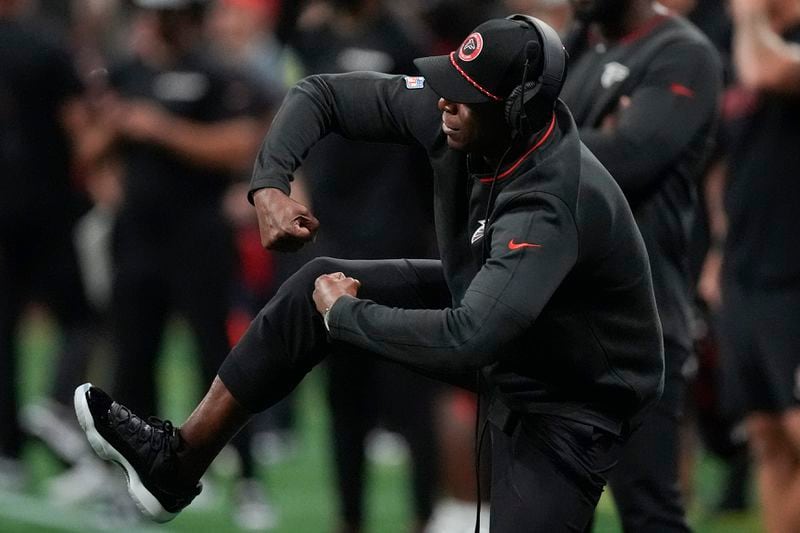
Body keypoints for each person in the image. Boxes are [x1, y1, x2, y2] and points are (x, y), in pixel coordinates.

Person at [74, 14, 665, 531]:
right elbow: (320, 94)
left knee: (333, 303)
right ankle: (175, 465)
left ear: (514, 110)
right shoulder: (459, 117)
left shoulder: (547, 201)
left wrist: (348, 316)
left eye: (466, 95)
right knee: (313, 286)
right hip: (502, 312)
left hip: (576, 393)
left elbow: (472, 340)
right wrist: (271, 185)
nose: (443, 101)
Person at [558, 0, 722, 531]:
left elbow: (630, 159)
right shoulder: (578, 40)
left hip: (638, 323)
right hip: (553, 306)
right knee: (545, 510)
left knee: (649, 510)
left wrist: (541, 140)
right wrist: (588, 139)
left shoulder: (682, 52)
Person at [698, 0, 800, 531]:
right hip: (745, 273)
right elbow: (720, 159)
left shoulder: (763, 45)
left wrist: (751, 20)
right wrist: (719, 242)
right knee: (767, 438)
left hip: (794, 276)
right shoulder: (732, 50)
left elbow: (771, 73)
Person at [0, 0, 94, 488]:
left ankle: (7, 452)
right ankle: (57, 409)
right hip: (49, 206)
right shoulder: (46, 46)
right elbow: (79, 127)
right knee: (80, 317)